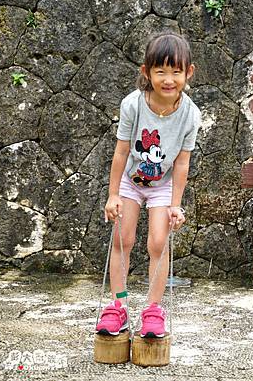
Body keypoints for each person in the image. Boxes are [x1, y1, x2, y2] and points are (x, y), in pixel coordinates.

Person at [95, 32, 201, 338]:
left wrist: (175, 205)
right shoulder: (132, 105)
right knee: (122, 240)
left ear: (188, 72)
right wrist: (113, 194)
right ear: (146, 72)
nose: (169, 79)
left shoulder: (190, 115)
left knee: (157, 242)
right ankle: (118, 306)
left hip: (162, 185)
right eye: (161, 71)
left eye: (176, 71)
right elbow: (122, 151)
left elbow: (181, 163)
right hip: (131, 180)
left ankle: (153, 310)